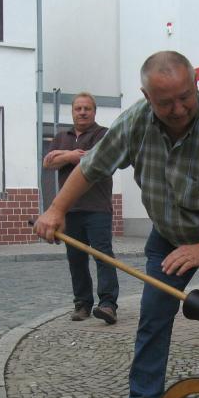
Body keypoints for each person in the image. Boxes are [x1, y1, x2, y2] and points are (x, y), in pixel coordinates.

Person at [34, 51, 199, 398]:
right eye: (166, 102)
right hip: (169, 234)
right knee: (153, 317)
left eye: (185, 97)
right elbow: (91, 168)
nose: (179, 109)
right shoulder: (135, 122)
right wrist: (56, 209)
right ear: (147, 97)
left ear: (194, 86)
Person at [43, 92, 120, 324]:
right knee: (76, 259)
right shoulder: (61, 136)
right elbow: (47, 163)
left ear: (94, 111)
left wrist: (63, 156)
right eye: (78, 108)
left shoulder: (103, 134)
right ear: (72, 112)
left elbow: (95, 159)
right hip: (70, 210)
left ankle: (108, 305)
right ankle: (82, 304)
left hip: (98, 207)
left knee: (103, 256)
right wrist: (71, 154)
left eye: (87, 108)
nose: (83, 112)